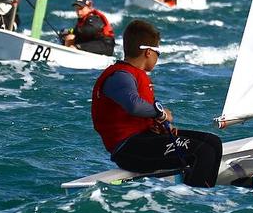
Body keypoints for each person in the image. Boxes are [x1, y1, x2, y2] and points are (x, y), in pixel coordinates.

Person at [91, 19, 223, 187]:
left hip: (145, 140)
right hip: (129, 150)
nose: (158, 57)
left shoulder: (135, 75)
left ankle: (204, 192)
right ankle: (196, 204)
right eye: (158, 52)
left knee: (213, 142)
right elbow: (134, 105)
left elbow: (140, 112)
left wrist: (155, 123)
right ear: (148, 52)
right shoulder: (120, 76)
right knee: (202, 152)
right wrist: (160, 113)